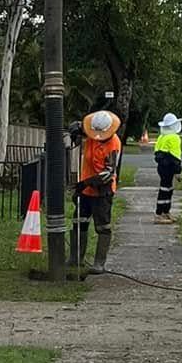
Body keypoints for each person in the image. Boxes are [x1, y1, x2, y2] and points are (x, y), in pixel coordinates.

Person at [74, 108, 122, 273]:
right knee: (79, 222)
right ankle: (75, 257)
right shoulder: (91, 132)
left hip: (102, 191)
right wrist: (75, 129)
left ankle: (99, 263)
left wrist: (86, 183)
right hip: (85, 189)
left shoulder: (113, 145)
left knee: (103, 226)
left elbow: (107, 174)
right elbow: (79, 129)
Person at [153, 112, 182, 223]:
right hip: (169, 167)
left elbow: (157, 153)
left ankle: (166, 212)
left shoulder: (162, 137)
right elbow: (175, 157)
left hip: (161, 167)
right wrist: (178, 171)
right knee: (165, 190)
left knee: (167, 189)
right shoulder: (174, 138)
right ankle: (159, 214)